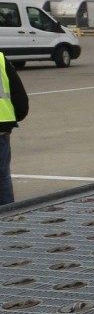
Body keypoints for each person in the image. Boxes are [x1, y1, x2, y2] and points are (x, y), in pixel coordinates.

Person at [0, 52, 30, 205]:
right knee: (2, 175)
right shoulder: (0, 58)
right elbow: (19, 95)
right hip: (2, 125)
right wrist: (15, 115)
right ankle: (8, 217)